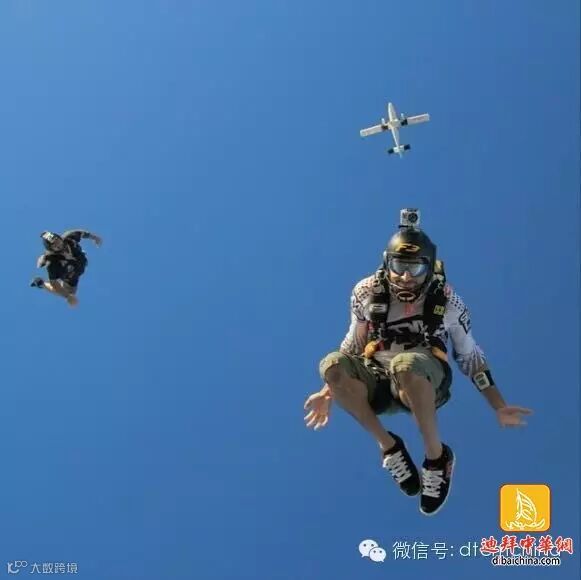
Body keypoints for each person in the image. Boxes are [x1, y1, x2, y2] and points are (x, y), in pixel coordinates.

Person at [303, 208, 532, 516]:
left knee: (406, 364)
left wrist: (498, 404)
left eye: (415, 268)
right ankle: (389, 447)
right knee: (330, 363)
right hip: (378, 381)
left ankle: (437, 459)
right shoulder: (366, 292)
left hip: (423, 378)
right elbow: (353, 345)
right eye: (399, 266)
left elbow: (470, 357)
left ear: (429, 267)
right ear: (387, 263)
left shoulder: (448, 302)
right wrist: (328, 389)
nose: (406, 277)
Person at [30, 229, 102, 307]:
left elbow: (82, 233)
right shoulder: (52, 262)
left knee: (71, 290)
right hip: (69, 275)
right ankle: (41, 283)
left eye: (57, 241)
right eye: (54, 245)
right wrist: (68, 296)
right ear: (51, 249)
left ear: (60, 238)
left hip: (78, 264)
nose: (58, 245)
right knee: (69, 293)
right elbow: (54, 283)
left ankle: (45, 284)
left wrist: (94, 237)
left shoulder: (69, 237)